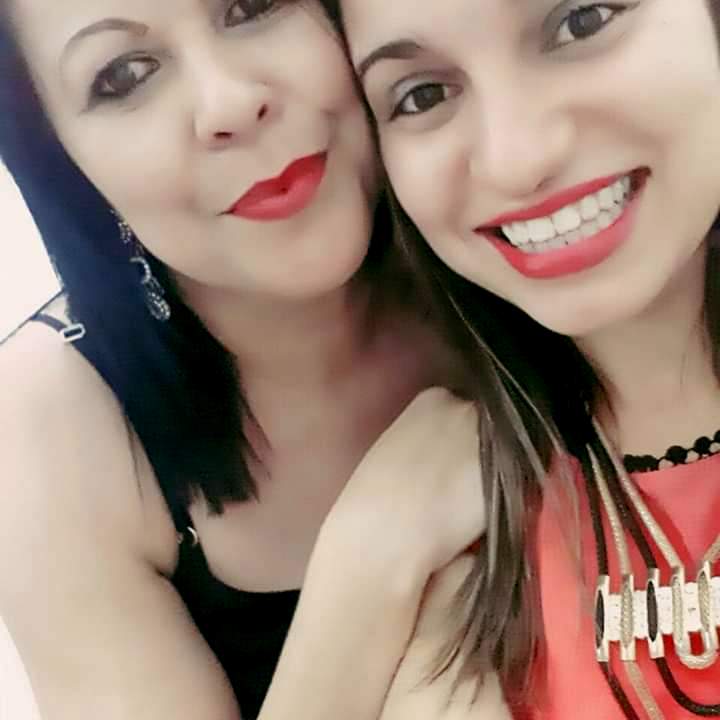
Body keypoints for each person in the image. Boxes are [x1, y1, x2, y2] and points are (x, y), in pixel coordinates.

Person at [0, 2, 496, 719]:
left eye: (251, 5)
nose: (231, 103)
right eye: (125, 76)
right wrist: (368, 566)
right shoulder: (51, 419)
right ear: (65, 161)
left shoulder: (521, 212)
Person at [334, 0, 720, 717]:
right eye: (423, 94)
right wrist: (361, 569)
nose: (517, 158)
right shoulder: (456, 547)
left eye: (582, 21)